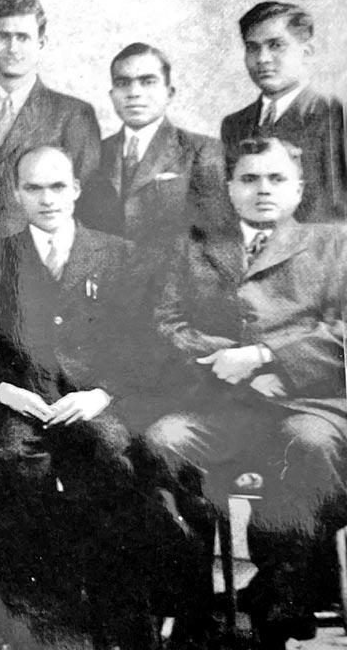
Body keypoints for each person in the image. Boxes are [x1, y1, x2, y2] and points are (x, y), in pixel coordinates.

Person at [144, 137, 347, 650]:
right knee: (164, 440)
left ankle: (280, 598)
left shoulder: (333, 245)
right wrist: (226, 359)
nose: (263, 190)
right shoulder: (195, 247)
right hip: (221, 404)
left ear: (298, 189)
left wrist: (263, 357)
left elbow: (343, 330)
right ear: (231, 189)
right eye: (250, 179)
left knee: (310, 444)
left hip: (306, 403)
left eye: (276, 179)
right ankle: (192, 604)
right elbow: (168, 321)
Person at [0, 146, 155, 649]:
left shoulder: (118, 255)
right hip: (21, 403)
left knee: (114, 458)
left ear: (74, 189)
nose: (46, 199)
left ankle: (118, 621)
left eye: (56, 187)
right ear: (16, 194)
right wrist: (4, 389)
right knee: (9, 462)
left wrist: (101, 394)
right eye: (33, 188)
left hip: (95, 405)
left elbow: (140, 341)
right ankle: (44, 624)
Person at [0, 0, 102, 241]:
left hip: (35, 262)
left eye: (23, 37)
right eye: (3, 36)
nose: (12, 48)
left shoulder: (73, 114)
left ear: (41, 43)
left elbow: (86, 203)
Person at [77, 43, 227, 246]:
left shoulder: (204, 150)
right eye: (123, 83)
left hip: (176, 276)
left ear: (169, 93)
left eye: (147, 82)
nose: (134, 93)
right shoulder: (94, 152)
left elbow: (218, 240)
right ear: (112, 95)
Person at [220, 1, 346, 222]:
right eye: (252, 48)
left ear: (306, 53)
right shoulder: (235, 124)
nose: (262, 59)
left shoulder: (333, 113)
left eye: (276, 45)